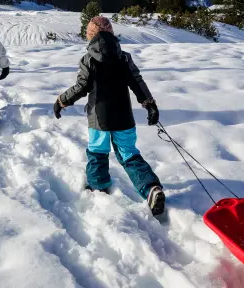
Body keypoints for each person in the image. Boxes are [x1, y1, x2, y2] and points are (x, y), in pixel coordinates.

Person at [53, 16, 165, 216]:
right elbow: (137, 82)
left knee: (97, 153)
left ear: (90, 34)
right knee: (129, 154)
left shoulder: (88, 58)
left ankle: (98, 186)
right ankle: (150, 188)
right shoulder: (124, 57)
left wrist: (62, 100)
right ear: (111, 32)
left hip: (99, 119)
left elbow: (81, 87)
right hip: (124, 117)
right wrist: (150, 104)